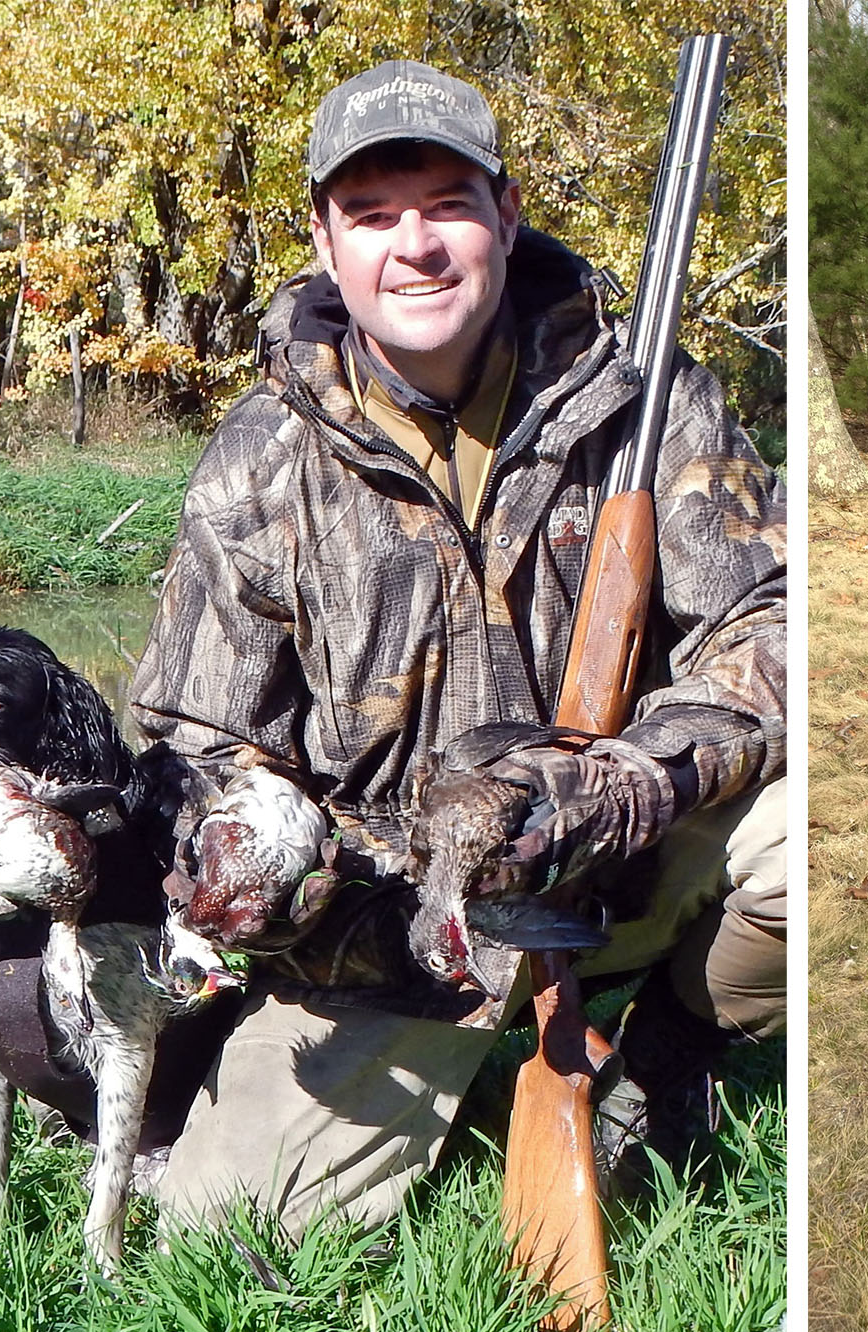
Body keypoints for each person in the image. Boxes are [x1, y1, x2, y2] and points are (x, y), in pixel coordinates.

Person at [127, 60, 786, 1235]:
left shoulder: (644, 398)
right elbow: (193, 744)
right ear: (327, 246)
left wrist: (623, 779)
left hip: (618, 868)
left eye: (445, 205)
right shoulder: (261, 456)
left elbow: (774, 622)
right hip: (388, 936)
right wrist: (267, 870)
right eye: (373, 217)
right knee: (218, 1231)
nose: (414, 244)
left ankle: (671, 1049)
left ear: (504, 216)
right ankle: (485, 1062)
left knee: (816, 820)